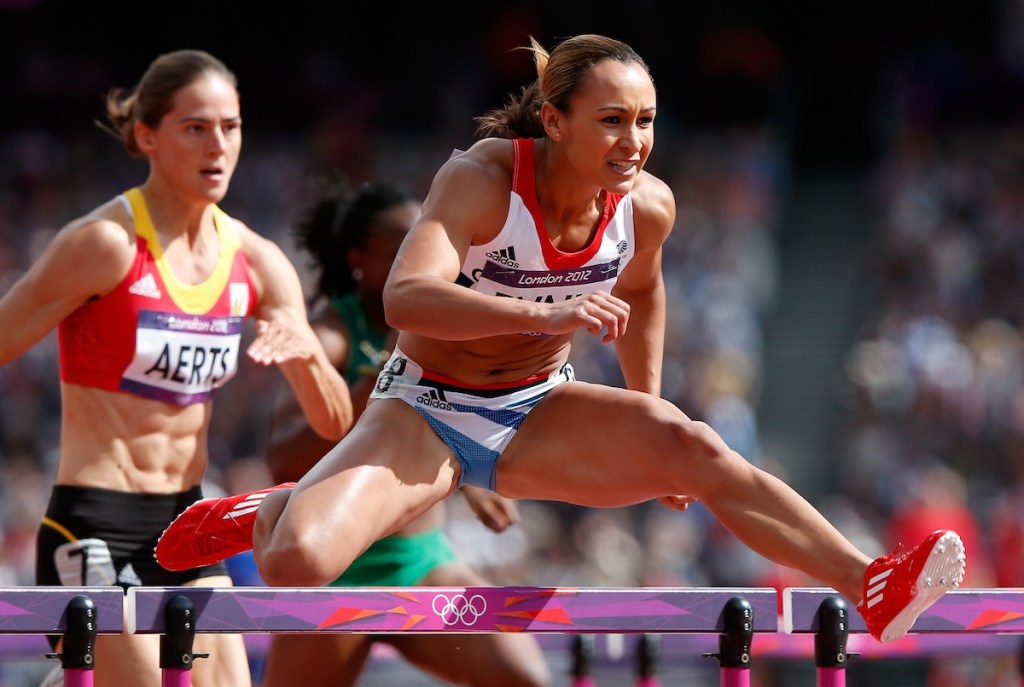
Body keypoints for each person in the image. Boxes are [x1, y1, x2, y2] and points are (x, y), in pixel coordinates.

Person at [156, 34, 966, 645]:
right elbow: (406, 298)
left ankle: (874, 583)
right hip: (427, 409)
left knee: (698, 447)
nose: (634, 141)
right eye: (612, 120)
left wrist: (646, 414)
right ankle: (274, 506)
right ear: (553, 118)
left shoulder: (646, 206)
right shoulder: (481, 179)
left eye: (646, 121)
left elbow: (644, 294)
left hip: (536, 411)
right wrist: (541, 316)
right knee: (298, 561)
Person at [0, 49, 352, 687]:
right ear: (147, 136)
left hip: (188, 528)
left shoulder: (258, 262)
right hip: (93, 522)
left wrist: (302, 352)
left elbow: (333, 422)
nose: (218, 145)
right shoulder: (104, 245)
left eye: (231, 126)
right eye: (196, 127)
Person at [259, 178, 550, 686]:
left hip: (420, 563)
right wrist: (379, 379)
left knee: (526, 679)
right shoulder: (335, 331)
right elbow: (283, 459)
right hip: (336, 578)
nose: (418, 252)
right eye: (399, 245)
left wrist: (473, 483)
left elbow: (454, 422)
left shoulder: (440, 323)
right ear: (360, 259)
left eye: (423, 237)